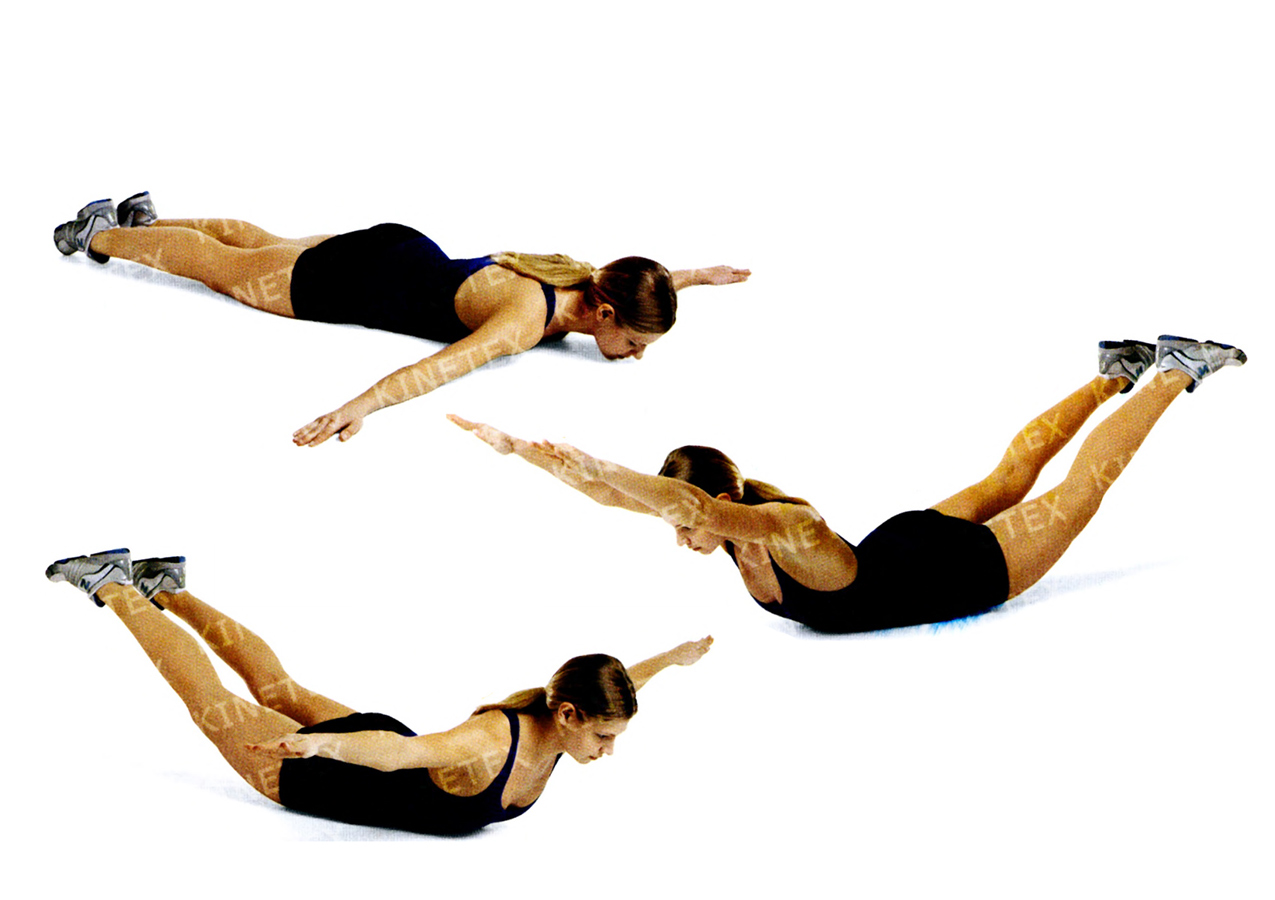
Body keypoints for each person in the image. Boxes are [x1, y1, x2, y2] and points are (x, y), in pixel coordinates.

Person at [452, 336, 1246, 633]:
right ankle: (1112, 373)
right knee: (1008, 476)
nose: (680, 536)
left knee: (1079, 491)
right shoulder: (740, 528)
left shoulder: (782, 525)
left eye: (688, 522)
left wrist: (591, 460)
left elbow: (678, 503)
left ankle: (1172, 371)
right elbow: (622, 498)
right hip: (900, 547)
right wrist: (524, 453)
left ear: (718, 506)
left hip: (954, 571)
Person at [44, 548, 712, 834]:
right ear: (567, 714)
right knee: (207, 700)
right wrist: (317, 750)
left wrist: (669, 661)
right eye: (604, 736)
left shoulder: (565, 720)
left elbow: (619, 685)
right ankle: (113, 583)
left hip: (376, 747)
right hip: (335, 771)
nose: (608, 749)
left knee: (279, 686)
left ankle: (167, 587)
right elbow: (399, 756)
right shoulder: (492, 741)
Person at [53, 193, 750, 446]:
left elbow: (636, 278)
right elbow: (434, 369)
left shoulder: (577, 275)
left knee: (264, 242)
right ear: (605, 313)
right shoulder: (522, 320)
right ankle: (98, 235)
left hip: (401, 248)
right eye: (635, 341)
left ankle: (141, 218)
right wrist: (355, 408)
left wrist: (692, 278)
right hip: (359, 283)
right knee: (224, 269)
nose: (635, 353)